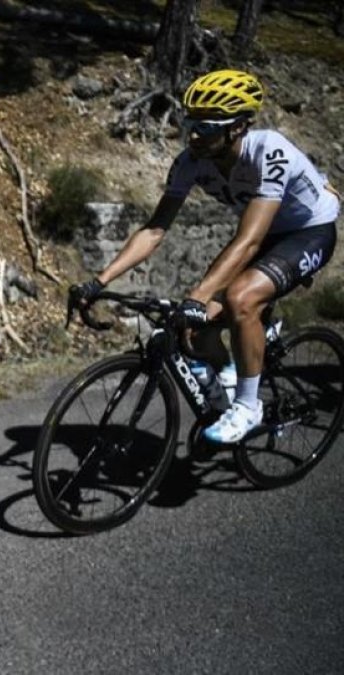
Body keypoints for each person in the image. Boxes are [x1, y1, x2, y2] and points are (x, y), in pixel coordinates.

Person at [71, 69, 339, 443]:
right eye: (189, 124)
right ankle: (234, 370)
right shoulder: (190, 162)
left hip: (309, 231)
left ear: (238, 128)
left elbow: (247, 241)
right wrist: (98, 281)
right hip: (263, 235)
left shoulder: (270, 150)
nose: (194, 135)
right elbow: (154, 230)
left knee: (240, 297)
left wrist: (197, 296)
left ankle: (248, 407)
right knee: (193, 333)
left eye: (208, 127)